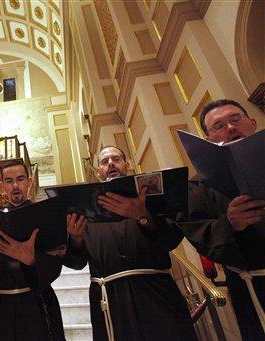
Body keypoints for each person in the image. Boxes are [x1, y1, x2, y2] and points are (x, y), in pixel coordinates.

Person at [64, 146, 197, 341]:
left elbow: (170, 240)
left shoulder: (151, 199)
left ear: (127, 165)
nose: (110, 163)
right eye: (104, 161)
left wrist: (142, 216)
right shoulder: (85, 210)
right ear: (98, 170)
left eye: (116, 159)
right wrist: (75, 239)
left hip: (155, 292)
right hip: (109, 297)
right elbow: (77, 264)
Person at [177, 99, 265, 340]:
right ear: (208, 140)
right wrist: (230, 224)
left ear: (253, 123)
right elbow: (199, 234)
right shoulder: (197, 188)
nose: (230, 128)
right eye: (218, 126)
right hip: (252, 285)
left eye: (235, 120)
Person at [0, 161, 65, 341]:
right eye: (9, 181)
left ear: (29, 182)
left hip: (37, 304)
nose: (15, 186)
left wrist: (31, 260)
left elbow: (57, 256)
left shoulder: (46, 216)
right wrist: (4, 253)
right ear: (2, 186)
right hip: (1, 307)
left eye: (20, 179)